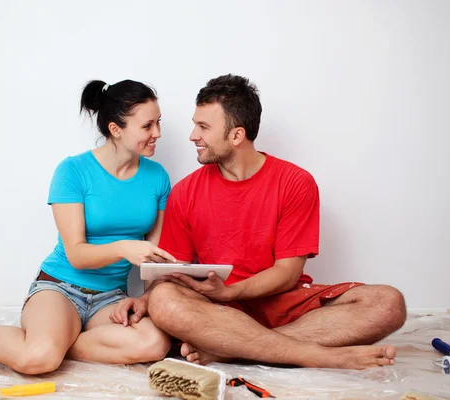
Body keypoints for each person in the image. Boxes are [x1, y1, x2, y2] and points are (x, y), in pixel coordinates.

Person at [146, 74, 407, 370]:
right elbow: (172, 273)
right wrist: (146, 300)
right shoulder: (185, 192)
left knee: (388, 302)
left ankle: (234, 350)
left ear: (236, 135)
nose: (193, 135)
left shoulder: (296, 182)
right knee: (163, 299)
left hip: (283, 303)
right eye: (195, 124)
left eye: (203, 127)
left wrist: (232, 292)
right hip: (219, 311)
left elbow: (286, 273)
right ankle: (310, 354)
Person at [0, 79, 177, 374]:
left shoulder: (157, 177)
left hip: (111, 299)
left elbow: (155, 261)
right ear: (116, 129)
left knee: (154, 344)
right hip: (60, 288)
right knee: (37, 358)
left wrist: (144, 299)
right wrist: (123, 248)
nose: (157, 133)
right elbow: (77, 255)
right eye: (147, 126)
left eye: (159, 123)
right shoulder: (73, 171)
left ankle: (60, 342)